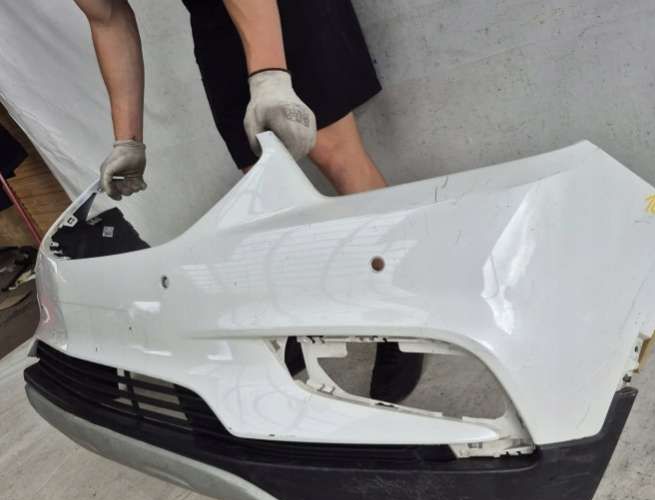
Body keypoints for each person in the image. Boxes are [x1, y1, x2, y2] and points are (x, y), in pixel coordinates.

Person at [73, 0, 423, 404]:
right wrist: (128, 140)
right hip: (214, 20)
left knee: (335, 151)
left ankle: (405, 312)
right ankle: (309, 321)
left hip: (290, 10)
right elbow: (107, 16)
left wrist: (270, 77)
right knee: (262, 179)